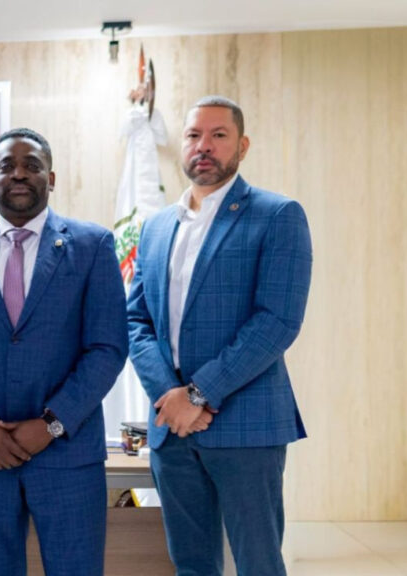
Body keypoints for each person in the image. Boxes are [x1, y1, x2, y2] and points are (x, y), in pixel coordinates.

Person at [0, 128, 128, 576]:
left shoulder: (92, 246)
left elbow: (107, 347)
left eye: (32, 165)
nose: (19, 174)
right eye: (6, 166)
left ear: (51, 179)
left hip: (68, 454)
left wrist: (52, 424)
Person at [126, 96, 313, 576]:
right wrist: (170, 396)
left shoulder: (277, 215)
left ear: (242, 146)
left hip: (246, 426)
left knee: (258, 564)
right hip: (171, 430)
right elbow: (136, 321)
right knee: (191, 564)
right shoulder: (155, 228)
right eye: (193, 135)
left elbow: (277, 320)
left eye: (218, 135)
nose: (203, 146)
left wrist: (198, 394)